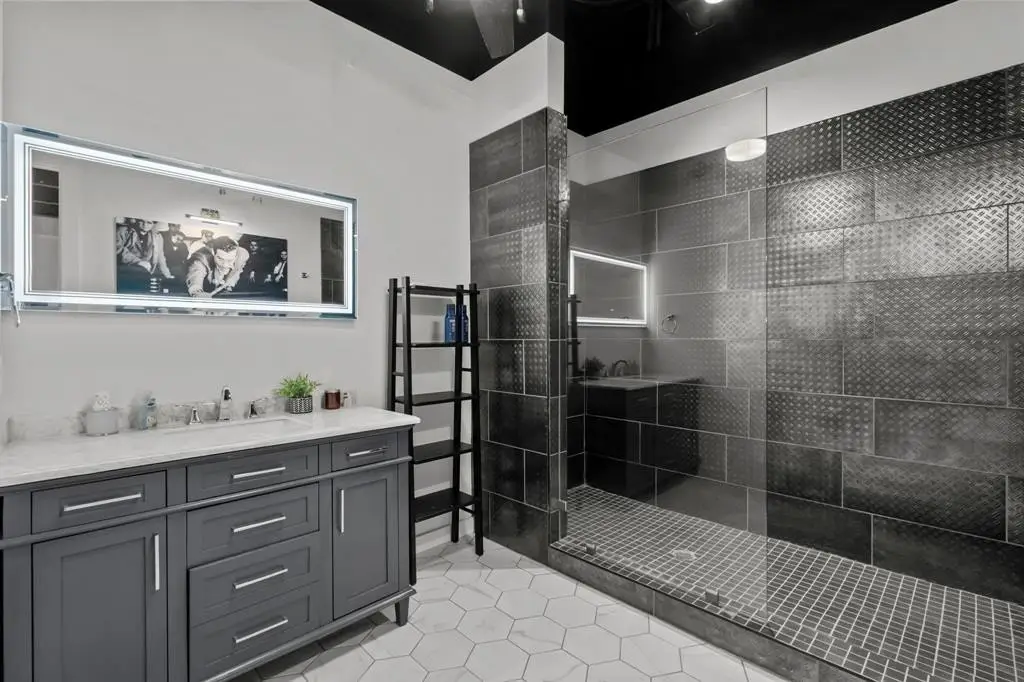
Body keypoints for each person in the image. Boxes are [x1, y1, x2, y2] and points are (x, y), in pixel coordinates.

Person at [116, 218, 171, 292]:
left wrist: (168, 276)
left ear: (153, 224)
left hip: (144, 275)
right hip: (125, 272)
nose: (145, 225)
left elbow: (160, 258)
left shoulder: (157, 237)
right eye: (142, 221)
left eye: (149, 222)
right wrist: (138, 261)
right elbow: (117, 249)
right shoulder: (123, 231)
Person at [184, 236, 250, 298]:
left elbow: (238, 269)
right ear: (213, 252)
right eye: (220, 259)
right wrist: (196, 292)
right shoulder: (201, 258)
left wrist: (230, 284)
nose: (225, 265)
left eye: (230, 260)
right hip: (205, 287)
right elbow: (196, 273)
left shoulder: (242, 254)